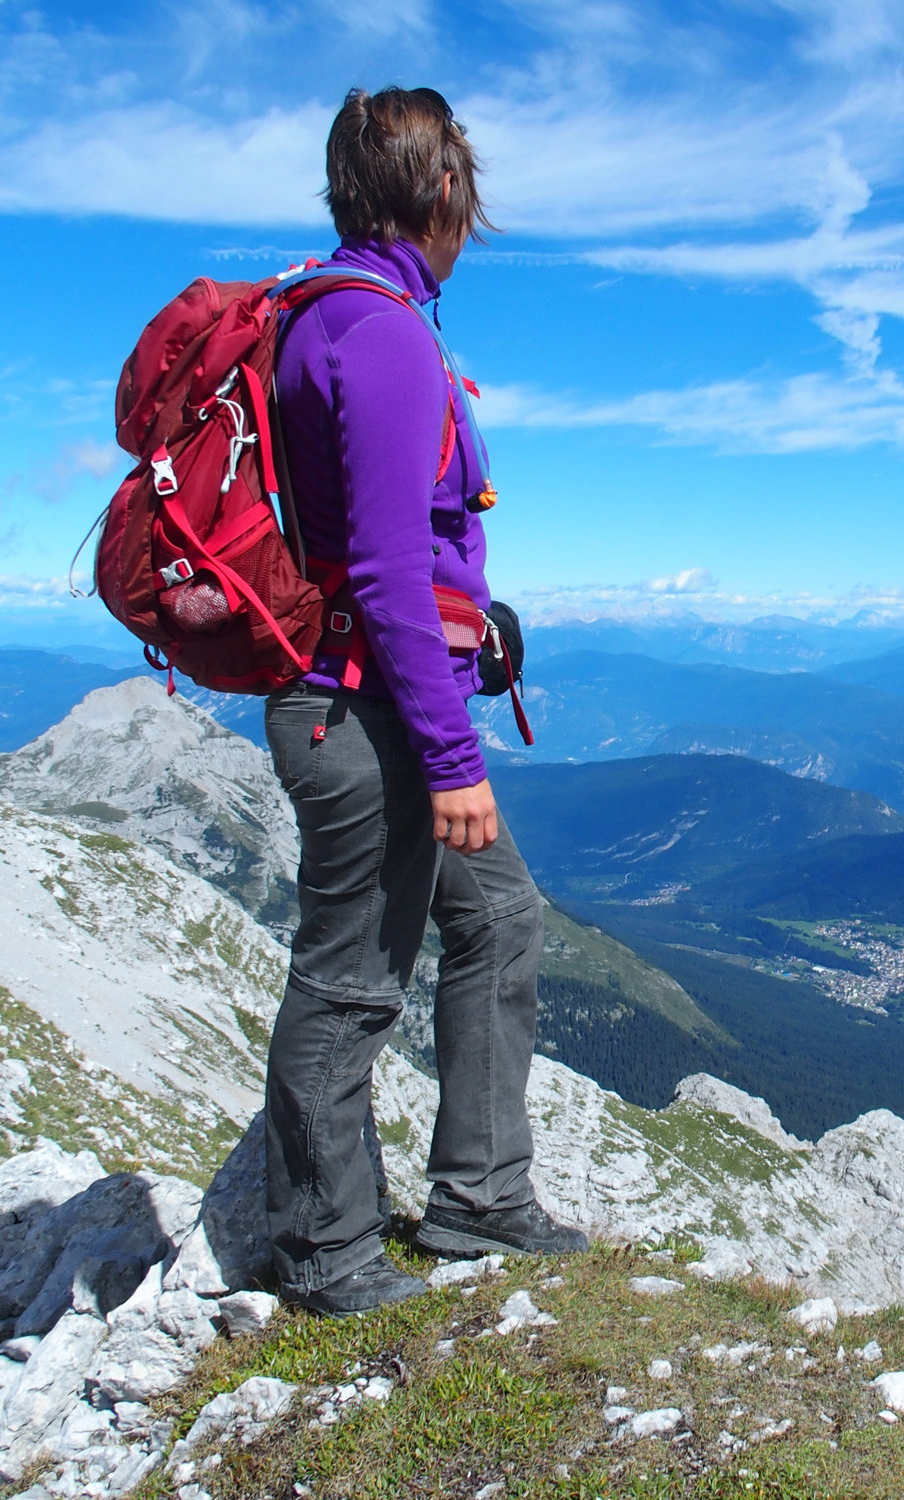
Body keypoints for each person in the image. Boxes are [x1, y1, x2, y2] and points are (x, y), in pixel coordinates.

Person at [263, 85, 586, 1318]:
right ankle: (325, 1252)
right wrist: (453, 756)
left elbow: (391, 555)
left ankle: (478, 1199)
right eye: (468, 197)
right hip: (367, 717)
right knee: (350, 980)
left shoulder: (338, 318)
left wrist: (471, 637)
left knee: (499, 918)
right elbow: (392, 566)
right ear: (443, 193)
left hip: (383, 691)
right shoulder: (381, 333)